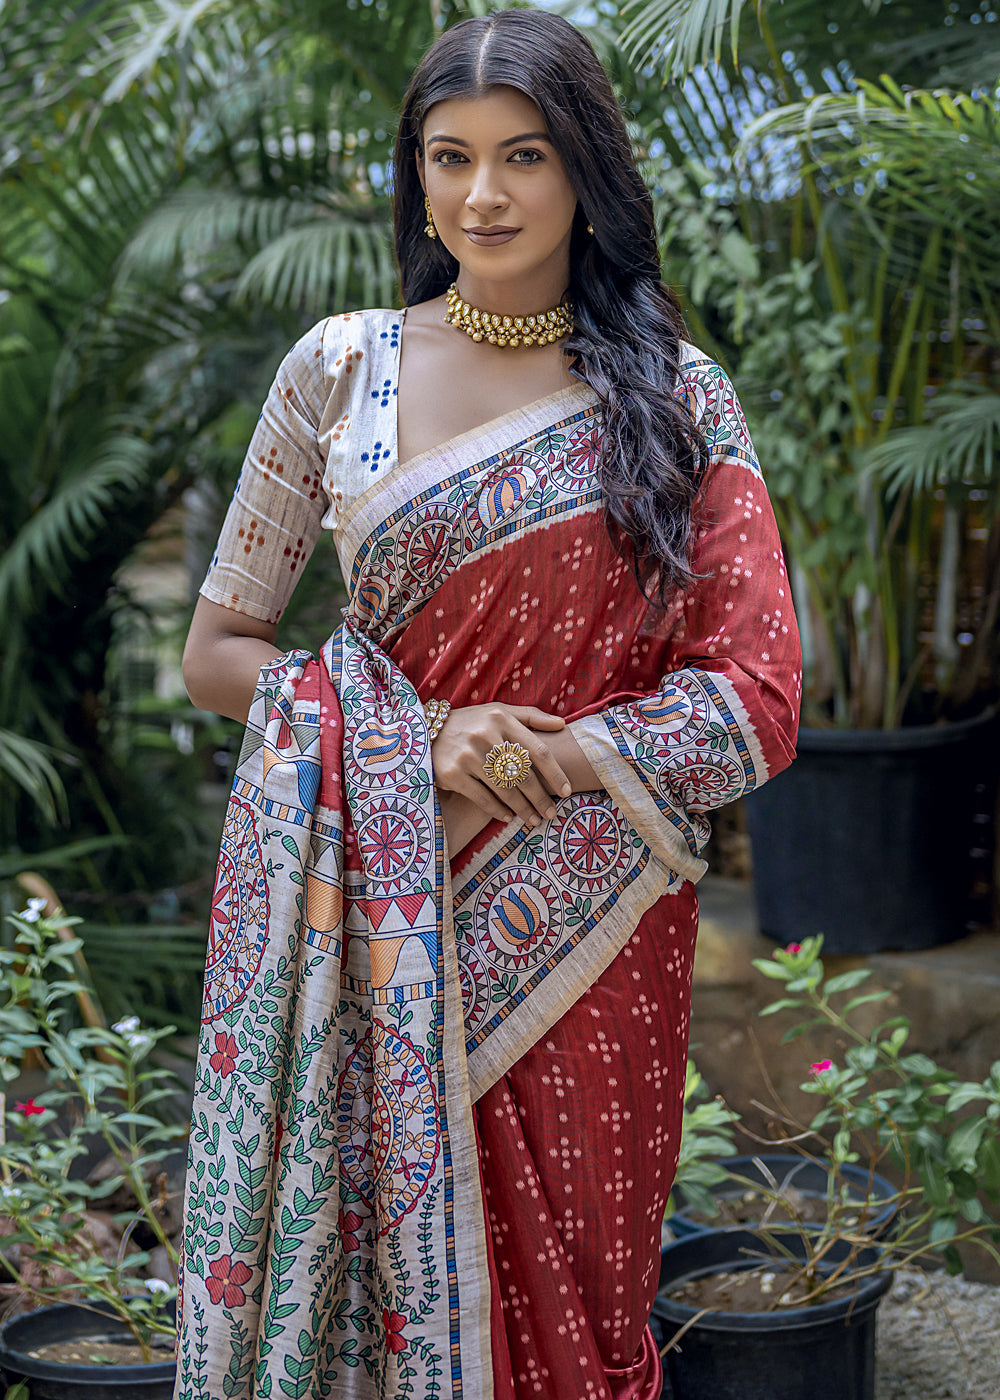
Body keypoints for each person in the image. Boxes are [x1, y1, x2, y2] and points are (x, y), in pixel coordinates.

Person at [174, 10, 801, 1400]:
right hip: (376, 929)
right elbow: (219, 650)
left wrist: (564, 754)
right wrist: (422, 739)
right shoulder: (341, 370)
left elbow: (757, 700)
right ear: (415, 175)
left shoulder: (681, 400)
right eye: (448, 158)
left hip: (596, 928)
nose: (484, 196)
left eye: (525, 156)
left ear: (585, 172)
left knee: (585, 1303)